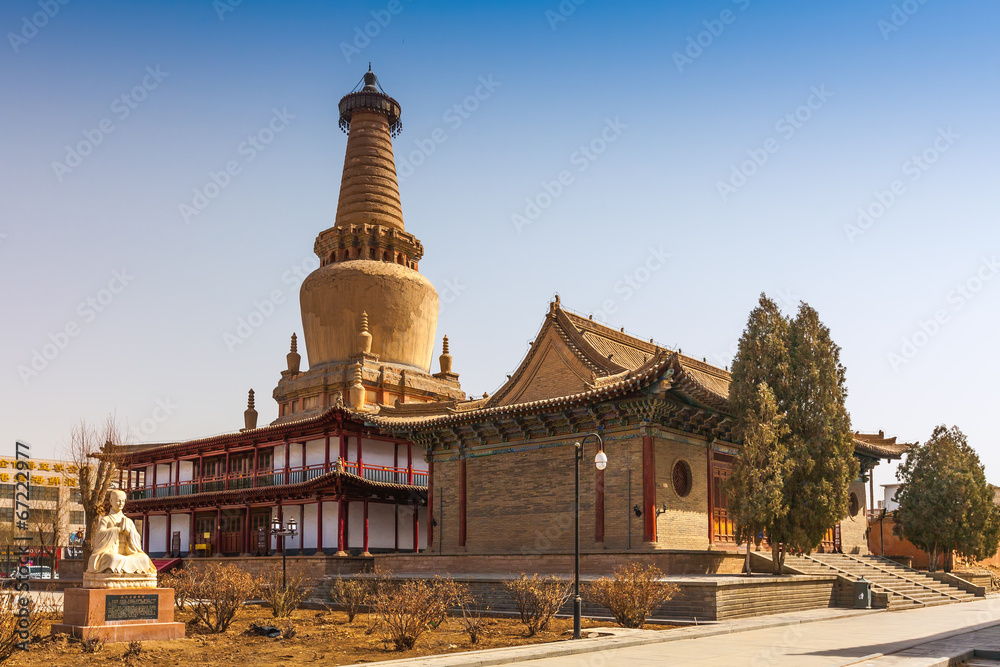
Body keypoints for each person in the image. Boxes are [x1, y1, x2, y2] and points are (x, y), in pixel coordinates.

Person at [86, 489, 157, 575]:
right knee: (113, 559)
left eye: (123, 501)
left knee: (144, 558)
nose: (120, 503)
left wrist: (129, 533)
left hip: (127, 553)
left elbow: (137, 538)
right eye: (118, 501)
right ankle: (111, 569)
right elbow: (99, 535)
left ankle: (120, 570)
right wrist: (116, 530)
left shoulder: (128, 521)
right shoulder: (106, 520)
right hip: (111, 552)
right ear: (111, 501)